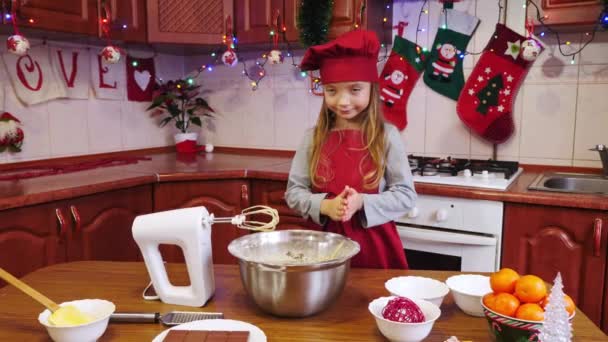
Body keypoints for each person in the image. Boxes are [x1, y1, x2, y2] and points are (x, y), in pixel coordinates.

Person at [285, 30, 417, 269]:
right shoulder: (312, 138)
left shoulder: (386, 136)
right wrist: (325, 205)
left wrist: (361, 202)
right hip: (322, 249)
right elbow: (294, 192)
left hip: (375, 250)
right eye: (332, 91)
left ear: (371, 89)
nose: (342, 101)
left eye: (354, 90)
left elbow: (406, 196)